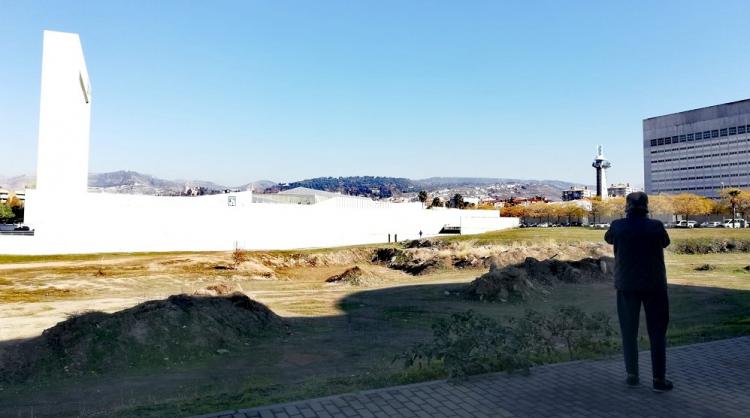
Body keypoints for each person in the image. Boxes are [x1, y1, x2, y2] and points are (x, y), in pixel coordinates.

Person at [604, 192, 673, 392]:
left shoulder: (617, 226)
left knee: (628, 331)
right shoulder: (656, 226)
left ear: (627, 206)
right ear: (646, 207)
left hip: (627, 285)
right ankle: (659, 379)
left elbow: (609, 238)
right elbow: (665, 243)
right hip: (655, 285)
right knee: (658, 333)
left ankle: (632, 375)